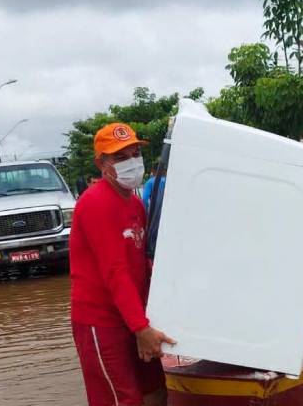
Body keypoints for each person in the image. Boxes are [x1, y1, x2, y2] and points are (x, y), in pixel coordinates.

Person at [70, 122, 175, 406]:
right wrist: (141, 328)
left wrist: (149, 319)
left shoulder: (135, 203)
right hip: (102, 321)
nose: (132, 162)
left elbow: (143, 264)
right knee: (122, 399)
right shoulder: (96, 203)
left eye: (134, 154)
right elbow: (115, 272)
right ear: (101, 164)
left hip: (133, 315)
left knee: (156, 391)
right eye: (120, 157)